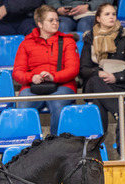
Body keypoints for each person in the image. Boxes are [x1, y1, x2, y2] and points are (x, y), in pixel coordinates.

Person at [13, 5, 79, 135]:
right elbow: (17, 72)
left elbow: (73, 69)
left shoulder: (68, 41)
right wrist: (31, 77)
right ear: (40, 24)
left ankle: (56, 142)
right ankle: (30, 144)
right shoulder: (26, 43)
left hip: (62, 85)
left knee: (58, 105)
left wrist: (53, 77)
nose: (55, 23)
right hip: (33, 86)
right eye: (51, 20)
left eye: (57, 20)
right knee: (24, 107)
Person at [79, 2, 125, 130]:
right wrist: (98, 72)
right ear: (98, 18)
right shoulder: (90, 39)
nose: (112, 17)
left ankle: (99, 140)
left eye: (113, 14)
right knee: (96, 80)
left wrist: (115, 77)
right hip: (95, 84)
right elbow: (83, 69)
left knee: (99, 100)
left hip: (120, 85)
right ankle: (121, 116)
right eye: (107, 14)